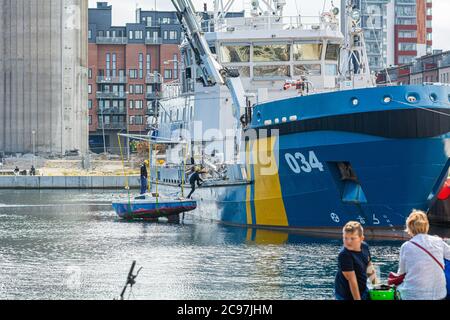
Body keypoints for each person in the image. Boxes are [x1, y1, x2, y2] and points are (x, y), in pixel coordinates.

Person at [394, 210, 450, 300]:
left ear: (409, 227)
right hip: (439, 294)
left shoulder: (406, 246)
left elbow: (401, 272)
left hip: (413, 296)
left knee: (398, 289)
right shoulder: (439, 241)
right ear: (426, 226)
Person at [335, 221, 378, 300]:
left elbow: (369, 266)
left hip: (362, 290)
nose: (348, 241)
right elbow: (352, 280)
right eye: (345, 238)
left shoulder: (364, 247)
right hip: (346, 295)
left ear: (361, 238)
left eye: (352, 238)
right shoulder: (344, 255)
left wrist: (377, 286)